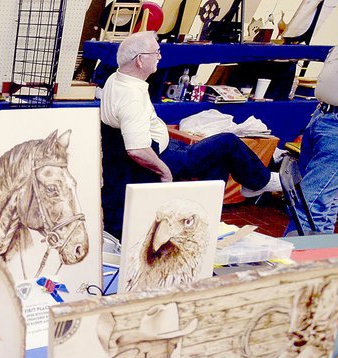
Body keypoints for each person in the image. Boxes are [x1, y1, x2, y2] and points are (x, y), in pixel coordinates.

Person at [100, 31, 282, 239]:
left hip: (157, 148)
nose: (160, 56)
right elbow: (137, 150)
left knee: (217, 159)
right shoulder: (131, 97)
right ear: (140, 60)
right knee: (228, 142)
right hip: (158, 157)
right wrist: (164, 172)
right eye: (156, 52)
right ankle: (260, 181)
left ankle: (210, 217)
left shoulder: (116, 78)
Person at [286, 45, 338, 235]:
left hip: (333, 126)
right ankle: (318, 259)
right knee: (324, 202)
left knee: (308, 204)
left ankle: (292, 262)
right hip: (322, 115)